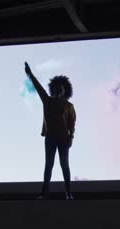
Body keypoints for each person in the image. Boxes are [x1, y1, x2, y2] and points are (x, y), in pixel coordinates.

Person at [24, 62, 76, 200]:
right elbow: (38, 87)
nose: (59, 90)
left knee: (64, 165)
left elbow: (72, 123)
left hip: (63, 138)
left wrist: (71, 138)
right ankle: (45, 193)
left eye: (61, 88)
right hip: (51, 138)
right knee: (49, 165)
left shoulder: (69, 106)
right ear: (53, 90)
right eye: (56, 88)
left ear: (65, 91)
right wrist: (30, 74)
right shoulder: (47, 101)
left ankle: (69, 193)